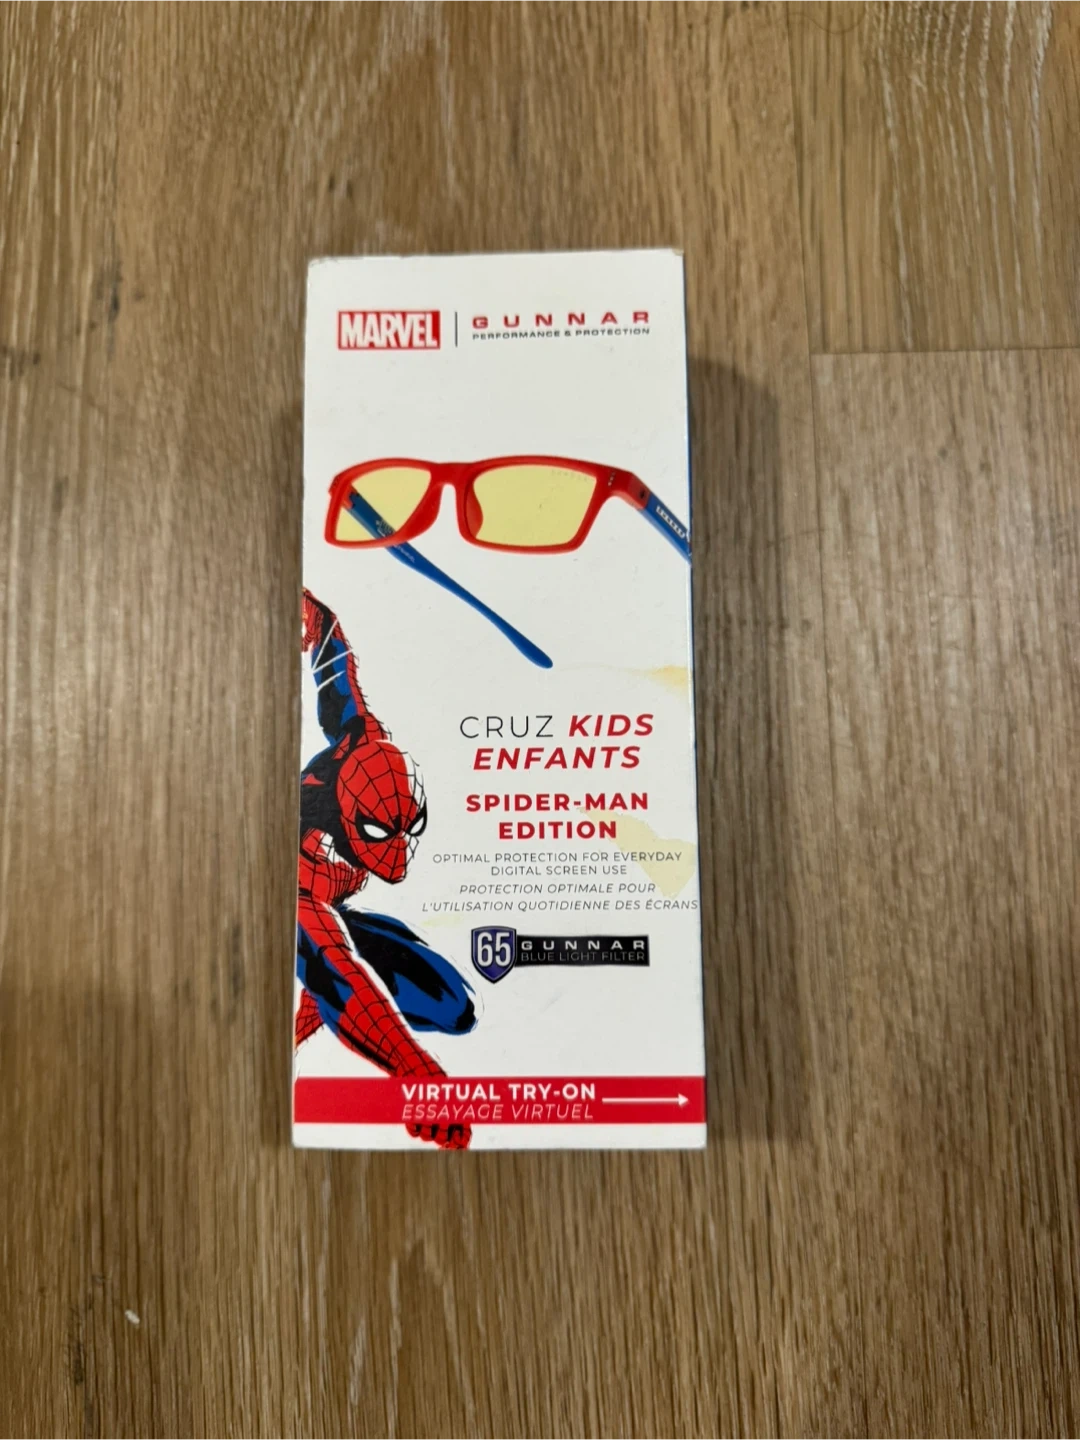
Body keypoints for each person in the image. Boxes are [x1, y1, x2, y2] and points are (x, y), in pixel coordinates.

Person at [295, 589, 474, 1149]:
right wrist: (418, 1074)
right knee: (323, 958)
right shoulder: (307, 843)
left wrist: (313, 615)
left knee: (452, 1007)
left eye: (409, 828)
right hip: (296, 911)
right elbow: (334, 963)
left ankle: (312, 1003)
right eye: (378, 833)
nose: (397, 851)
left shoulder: (363, 739)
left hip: (331, 915)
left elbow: (334, 662)